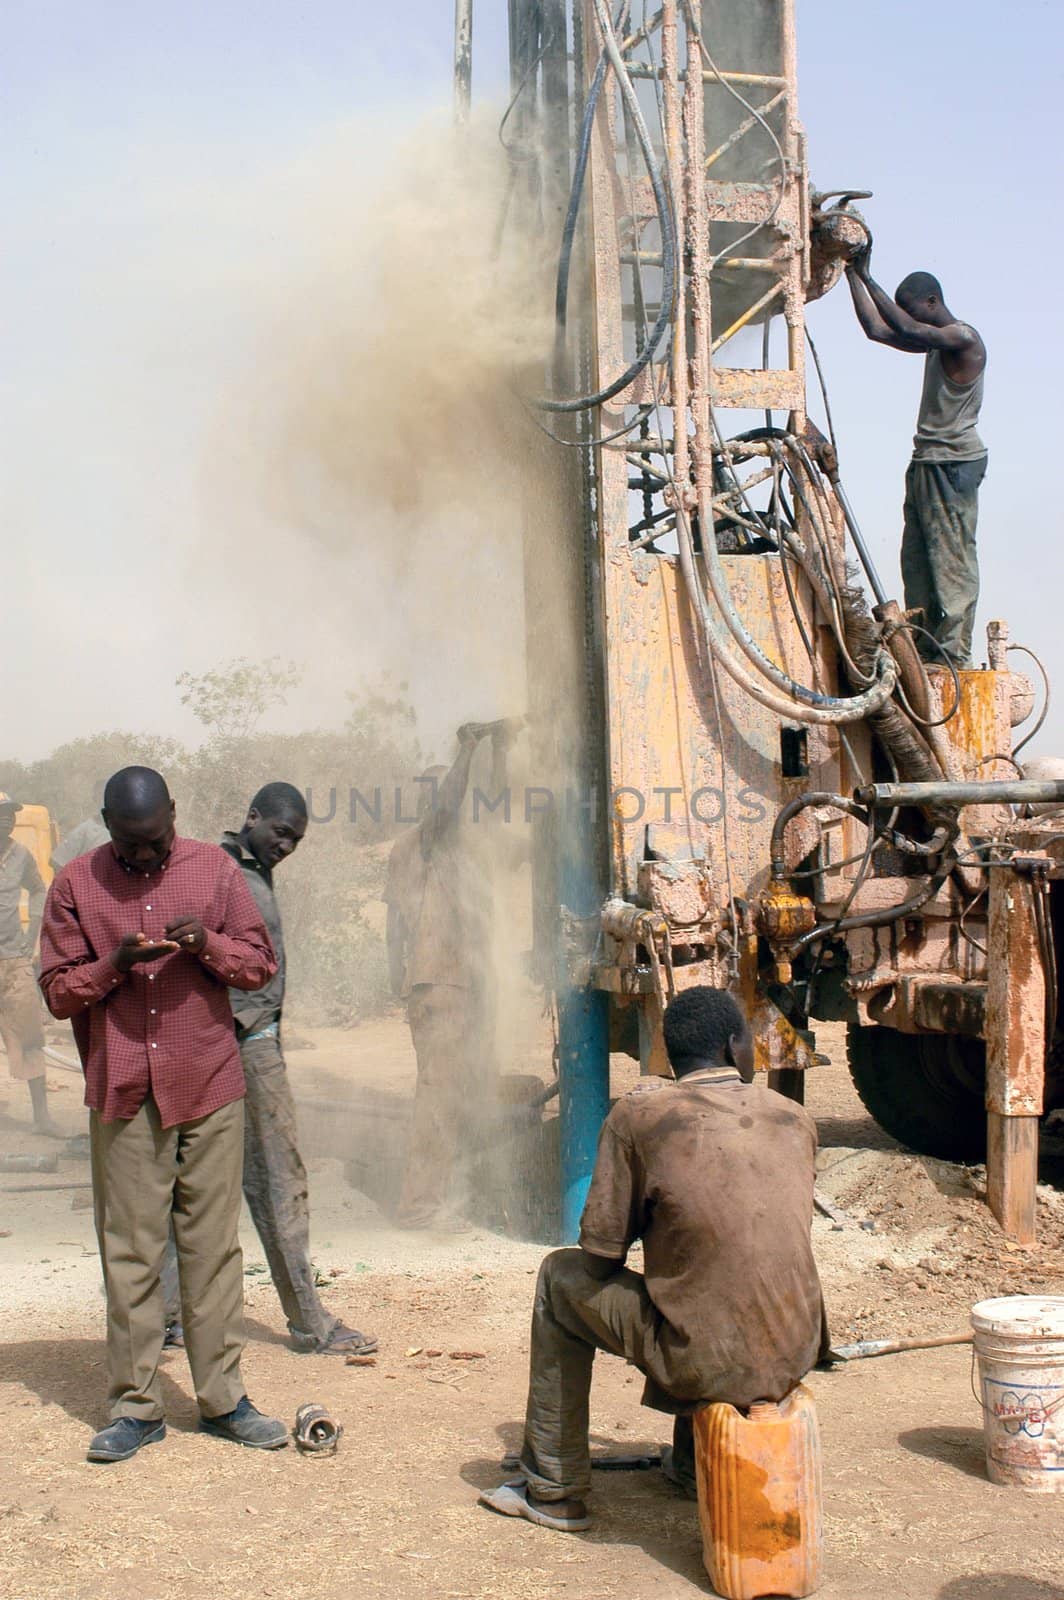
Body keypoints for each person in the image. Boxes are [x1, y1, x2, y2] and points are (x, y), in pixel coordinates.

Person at [479, 985, 830, 1532]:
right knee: (711, 1276)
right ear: (737, 1047)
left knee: (560, 1277)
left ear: (669, 1054)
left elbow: (597, 1258)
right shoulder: (793, 1116)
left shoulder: (641, 1117)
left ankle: (553, 1489)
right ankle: (695, 1469)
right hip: (795, 1348)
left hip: (705, 1358)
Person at [39, 766, 288, 1463]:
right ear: (107, 823)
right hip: (123, 1087)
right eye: (131, 844)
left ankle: (223, 1400)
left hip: (207, 1083)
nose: (146, 856)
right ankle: (136, 1407)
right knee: (132, 1252)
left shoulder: (212, 872)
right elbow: (58, 993)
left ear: (174, 815)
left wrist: (207, 944)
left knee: (212, 1250)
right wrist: (113, 964)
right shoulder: (76, 885)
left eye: (156, 841)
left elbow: (260, 964)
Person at [214, 781, 377, 1356]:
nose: (288, 845)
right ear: (252, 816)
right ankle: (311, 1323)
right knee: (278, 1179)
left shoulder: (243, 867)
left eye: (297, 839)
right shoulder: (224, 870)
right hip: (245, 1042)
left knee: (199, 1183)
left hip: (243, 1037)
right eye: (281, 832)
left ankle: (167, 1318)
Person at [846, 248, 987, 668]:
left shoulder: (964, 338)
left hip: (954, 464)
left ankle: (954, 653)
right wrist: (850, 272)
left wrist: (870, 277)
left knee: (952, 559)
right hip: (926, 461)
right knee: (919, 558)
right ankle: (924, 647)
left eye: (916, 312)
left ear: (931, 303)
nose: (915, 321)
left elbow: (904, 325)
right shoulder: (934, 346)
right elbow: (876, 328)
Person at [384, 723, 498, 1230]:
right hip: (444, 985)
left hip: (435, 985)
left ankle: (453, 1193)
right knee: (439, 1096)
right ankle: (421, 1208)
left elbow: (392, 926)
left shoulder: (418, 851)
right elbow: (451, 802)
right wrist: (470, 746)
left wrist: (401, 980)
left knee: (457, 1092)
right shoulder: (432, 836)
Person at [0, 791, 58, 1136]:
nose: (7, 819)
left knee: (30, 1037)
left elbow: (40, 890)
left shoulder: (20, 855)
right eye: (0, 813)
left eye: (10, 813)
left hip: (14, 962)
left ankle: (42, 1118)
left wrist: (34, 931)